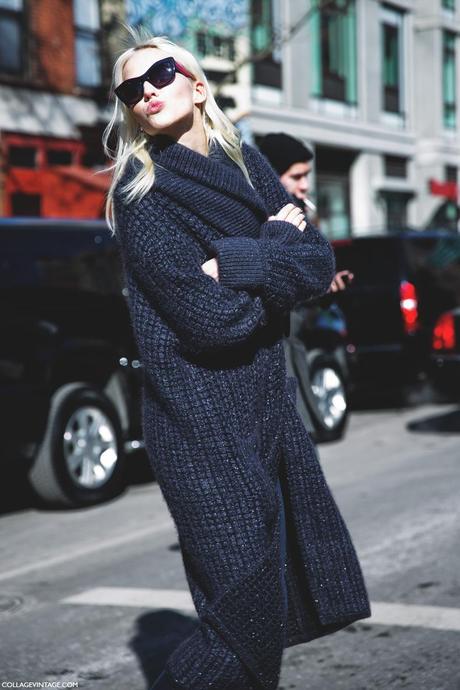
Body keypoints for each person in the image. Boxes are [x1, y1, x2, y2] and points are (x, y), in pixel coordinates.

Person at [104, 31, 371, 690]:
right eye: (132, 88)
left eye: (161, 73)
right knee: (244, 622)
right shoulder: (146, 200)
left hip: (266, 420)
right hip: (200, 431)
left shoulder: (249, 165)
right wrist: (277, 254)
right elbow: (214, 322)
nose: (147, 92)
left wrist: (246, 259)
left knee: (267, 620)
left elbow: (317, 260)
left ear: (198, 85)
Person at [258, 132, 353, 293]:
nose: (305, 185)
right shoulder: (260, 218)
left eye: (306, 175)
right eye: (296, 177)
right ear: (272, 177)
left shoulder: (305, 211)